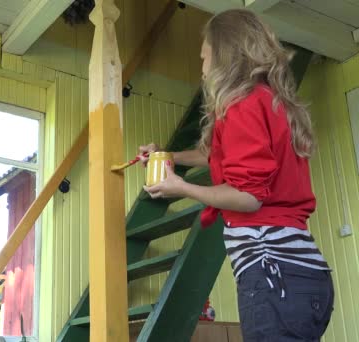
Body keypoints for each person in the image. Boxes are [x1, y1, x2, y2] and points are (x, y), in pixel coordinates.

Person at [139, 9, 334, 342]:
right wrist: (169, 156)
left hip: (274, 275)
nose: (201, 69)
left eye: (204, 58)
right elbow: (217, 156)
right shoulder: (266, 101)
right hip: (301, 277)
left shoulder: (243, 105)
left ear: (224, 56)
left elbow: (248, 197)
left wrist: (182, 188)